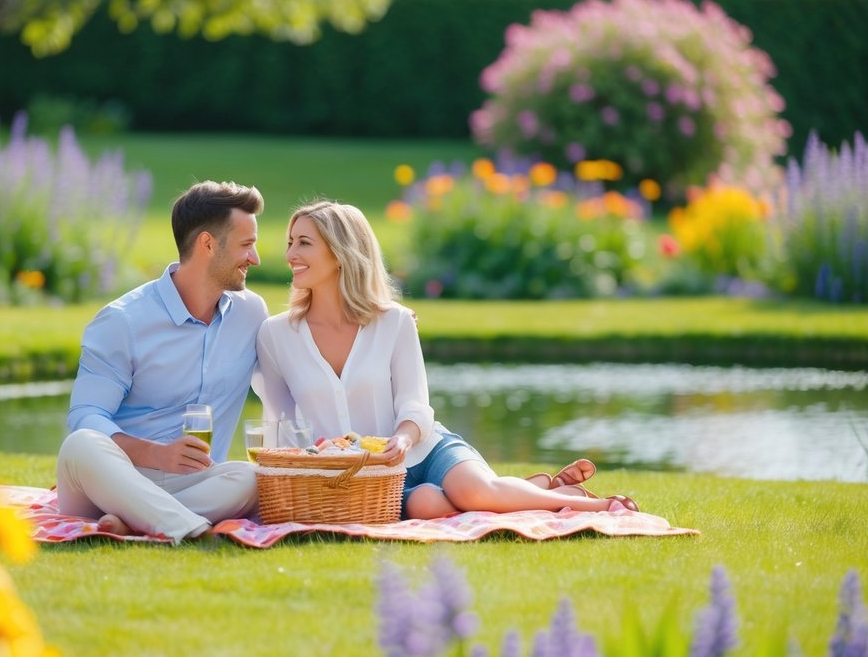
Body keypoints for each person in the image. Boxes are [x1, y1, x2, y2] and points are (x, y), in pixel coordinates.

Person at [255, 200, 639, 521]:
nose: (290, 255)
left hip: (423, 448)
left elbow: (414, 403)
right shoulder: (275, 335)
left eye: (303, 243)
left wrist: (403, 439)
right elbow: (281, 425)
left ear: (341, 254)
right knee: (427, 505)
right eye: (290, 242)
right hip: (368, 481)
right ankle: (537, 488)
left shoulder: (395, 322)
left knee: (475, 492)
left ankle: (597, 505)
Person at [56, 180, 267, 543]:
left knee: (252, 478)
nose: (255, 258)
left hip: (195, 480)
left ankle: (137, 523)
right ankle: (189, 528)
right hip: (112, 478)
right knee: (81, 445)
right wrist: (156, 454)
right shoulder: (123, 321)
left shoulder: (251, 314)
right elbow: (85, 416)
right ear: (207, 244)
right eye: (246, 245)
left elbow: (303, 347)